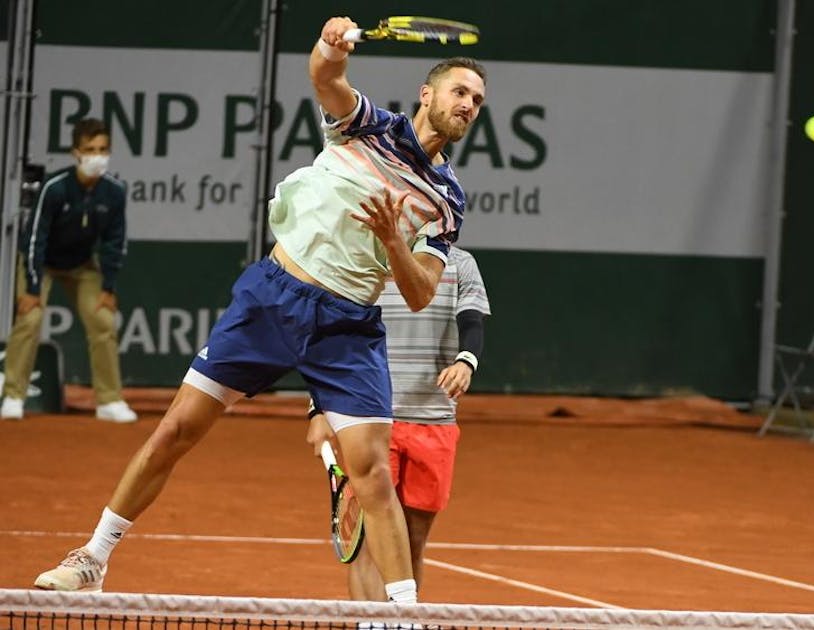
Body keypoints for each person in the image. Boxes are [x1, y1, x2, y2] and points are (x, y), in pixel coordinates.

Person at [33, 15, 487, 602]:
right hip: (274, 298)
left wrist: (395, 241)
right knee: (177, 429)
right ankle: (93, 558)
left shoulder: (446, 197)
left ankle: (404, 615)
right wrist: (329, 45)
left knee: (372, 475)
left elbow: (423, 291)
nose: (470, 105)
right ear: (428, 94)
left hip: (347, 328)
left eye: (478, 100)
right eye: (460, 92)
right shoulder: (371, 125)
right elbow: (327, 79)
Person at [308, 246, 490, 600]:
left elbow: (472, 321)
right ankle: (370, 626)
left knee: (412, 543)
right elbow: (331, 340)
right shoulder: (363, 258)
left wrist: (466, 362)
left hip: (434, 421)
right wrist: (317, 408)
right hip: (371, 418)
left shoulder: (460, 264)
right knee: (366, 544)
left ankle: (402, 620)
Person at [1, 118, 137, 423]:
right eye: (90, 149)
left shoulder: (114, 192)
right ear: (76, 152)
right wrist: (33, 289)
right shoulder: (54, 187)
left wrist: (109, 287)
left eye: (103, 149)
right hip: (43, 264)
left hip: (82, 266)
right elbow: (34, 239)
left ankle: (109, 400)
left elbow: (115, 242)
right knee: (30, 317)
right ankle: (13, 395)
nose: (97, 156)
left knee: (103, 320)